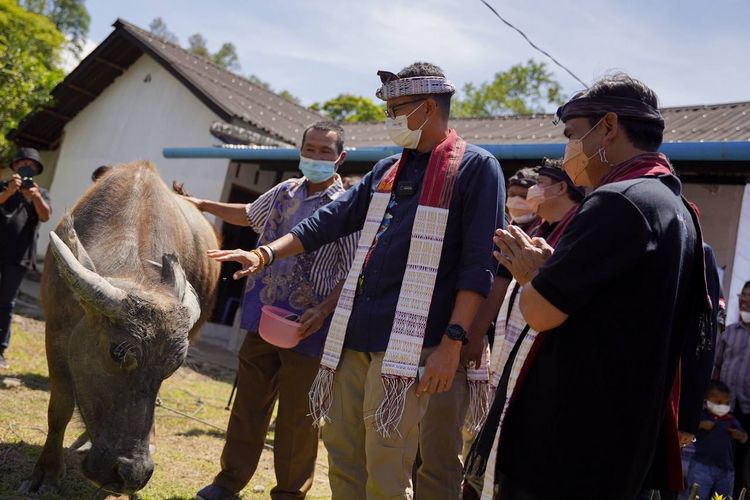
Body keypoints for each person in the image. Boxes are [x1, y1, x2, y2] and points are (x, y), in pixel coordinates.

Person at [208, 62, 504, 500]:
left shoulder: (477, 168)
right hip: (356, 334)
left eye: (395, 109)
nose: (389, 119)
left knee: (388, 462)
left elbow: (481, 264)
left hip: (413, 343)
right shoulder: (388, 169)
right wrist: (264, 251)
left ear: (426, 108)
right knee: (343, 449)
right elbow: (330, 220)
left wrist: (454, 340)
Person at [491, 73, 710, 499]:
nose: (568, 150)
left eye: (572, 134)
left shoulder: (619, 200)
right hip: (621, 438)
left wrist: (531, 273)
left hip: (571, 439)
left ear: (607, 126)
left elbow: (539, 312)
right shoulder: (674, 205)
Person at [194, 121, 358, 500]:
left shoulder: (347, 206)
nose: (316, 157)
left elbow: (353, 270)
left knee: (299, 418)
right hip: (264, 315)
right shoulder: (285, 191)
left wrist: (324, 309)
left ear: (340, 158)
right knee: (248, 405)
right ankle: (228, 482)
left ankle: (289, 493)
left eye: (325, 152)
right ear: (300, 151)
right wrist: (202, 205)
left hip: (310, 326)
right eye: (310, 149)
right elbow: (249, 214)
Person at [463, 159, 584, 499]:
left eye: (538, 183)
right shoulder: (540, 231)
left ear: (560, 187)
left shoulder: (575, 233)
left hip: (543, 367)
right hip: (511, 358)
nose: (528, 195)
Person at [0, 147, 51, 369]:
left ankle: (0, 349)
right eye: (24, 164)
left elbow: (45, 215)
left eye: (32, 166)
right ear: (15, 166)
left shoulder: (41, 192)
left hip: (19, 256)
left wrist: (36, 196)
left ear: (37, 170)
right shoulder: (3, 186)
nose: (28, 168)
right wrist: (9, 191)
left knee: (6, 303)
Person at [714, 280, 750, 496]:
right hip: (722, 408)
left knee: (741, 465)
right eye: (743, 296)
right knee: (715, 459)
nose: (745, 301)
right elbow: (717, 367)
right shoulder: (728, 333)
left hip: (747, 412)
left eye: (749, 297)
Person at [683, 380, 748, 499]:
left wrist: (740, 435)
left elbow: (745, 438)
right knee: (696, 496)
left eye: (726, 403)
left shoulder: (731, 420)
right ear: (706, 400)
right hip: (701, 466)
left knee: (724, 497)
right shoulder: (701, 416)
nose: (722, 406)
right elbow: (689, 429)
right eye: (718, 402)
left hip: (726, 470)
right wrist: (701, 424)